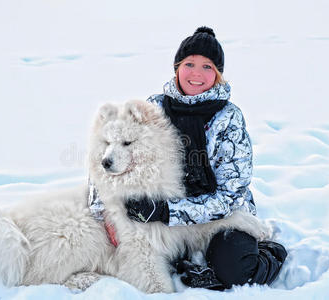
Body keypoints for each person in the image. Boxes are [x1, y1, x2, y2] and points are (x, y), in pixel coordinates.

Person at [89, 26, 287, 290]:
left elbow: (230, 196)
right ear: (176, 68)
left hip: (220, 216)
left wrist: (167, 212)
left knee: (235, 268)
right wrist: (104, 215)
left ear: (217, 75)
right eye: (189, 64)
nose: (196, 74)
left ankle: (270, 251)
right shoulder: (154, 107)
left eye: (207, 67)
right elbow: (106, 156)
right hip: (161, 215)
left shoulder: (228, 118)